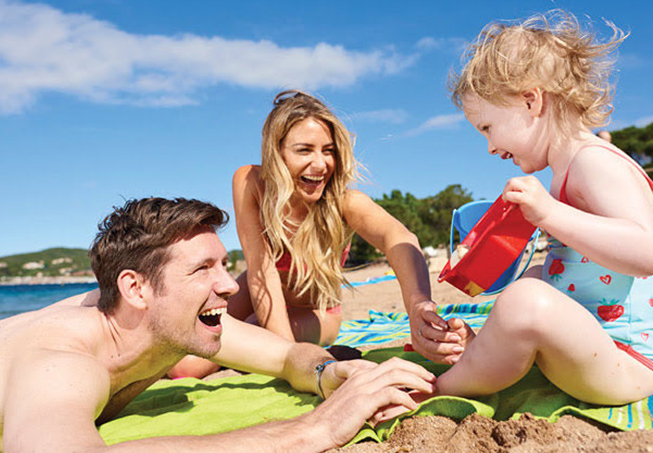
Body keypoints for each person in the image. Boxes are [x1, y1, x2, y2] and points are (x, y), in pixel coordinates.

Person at [0, 197, 437, 452]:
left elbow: (285, 355)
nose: (230, 286)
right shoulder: (60, 364)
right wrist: (315, 428)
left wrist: (328, 374)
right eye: (202, 270)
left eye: (225, 266)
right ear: (135, 289)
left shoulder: (168, 321)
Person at [421, 10, 653, 405]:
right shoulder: (568, 170)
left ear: (531, 101)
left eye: (488, 128)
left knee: (524, 301)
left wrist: (548, 214)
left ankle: (439, 389)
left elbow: (647, 252)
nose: (490, 147)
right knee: (533, 278)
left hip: (627, 362)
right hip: (597, 346)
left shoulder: (593, 161)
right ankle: (486, 354)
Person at [170, 90, 465, 379]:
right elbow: (261, 271)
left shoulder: (344, 203)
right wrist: (281, 349)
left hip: (316, 312)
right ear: (277, 152)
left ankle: (253, 354)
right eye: (304, 150)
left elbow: (399, 238)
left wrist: (417, 304)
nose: (321, 164)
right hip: (254, 288)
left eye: (328, 151)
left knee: (246, 333)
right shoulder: (251, 183)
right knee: (183, 363)